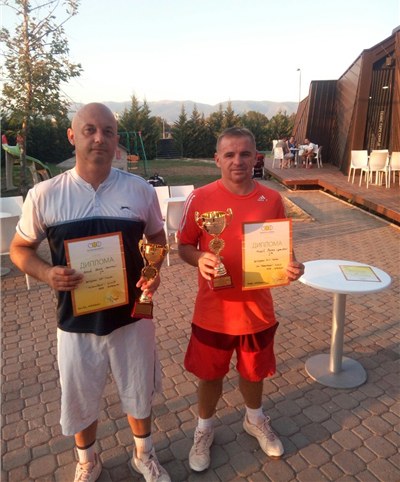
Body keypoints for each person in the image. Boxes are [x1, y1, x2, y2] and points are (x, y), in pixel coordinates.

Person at [10, 103, 170, 482]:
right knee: (80, 400)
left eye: (108, 131)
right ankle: (88, 461)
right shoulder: (45, 195)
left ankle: (143, 455)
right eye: (90, 130)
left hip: (133, 318)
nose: (100, 138)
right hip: (75, 323)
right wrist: (46, 273)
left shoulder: (139, 190)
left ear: (116, 140)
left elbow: (157, 238)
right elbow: (19, 249)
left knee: (139, 392)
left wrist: (154, 272)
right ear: (72, 136)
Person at [177, 127, 305, 472]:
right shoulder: (200, 198)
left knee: (253, 373)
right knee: (210, 376)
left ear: (256, 158)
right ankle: (204, 428)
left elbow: (283, 249)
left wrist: (293, 266)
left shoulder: (271, 199)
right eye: (230, 154)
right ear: (217, 159)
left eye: (245, 153)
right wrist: (199, 259)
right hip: (213, 312)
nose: (238, 161)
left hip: (256, 311)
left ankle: (255, 419)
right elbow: (184, 245)